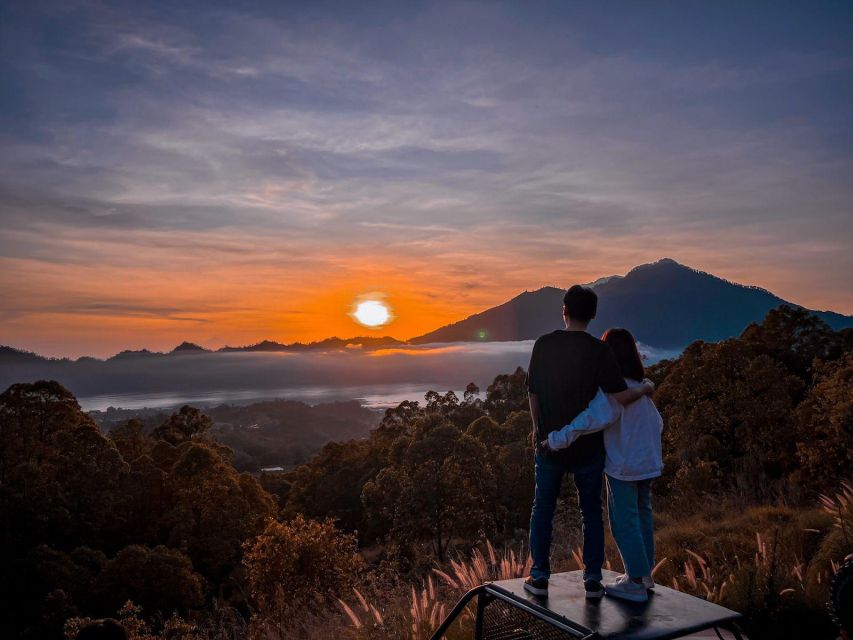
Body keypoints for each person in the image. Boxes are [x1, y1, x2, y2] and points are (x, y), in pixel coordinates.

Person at [524, 286, 654, 599]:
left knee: (543, 509)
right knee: (591, 512)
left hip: (549, 445)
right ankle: (593, 580)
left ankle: (539, 576)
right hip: (589, 448)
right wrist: (646, 387)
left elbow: (533, 392)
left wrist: (536, 428)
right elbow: (618, 396)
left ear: (564, 310)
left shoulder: (544, 344)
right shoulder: (600, 351)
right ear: (593, 315)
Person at [543, 328, 663, 603]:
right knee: (643, 517)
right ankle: (644, 576)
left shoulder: (614, 391)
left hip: (624, 465)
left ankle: (634, 582)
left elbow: (589, 420)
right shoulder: (640, 387)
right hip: (649, 463)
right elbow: (658, 424)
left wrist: (554, 440)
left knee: (624, 521)